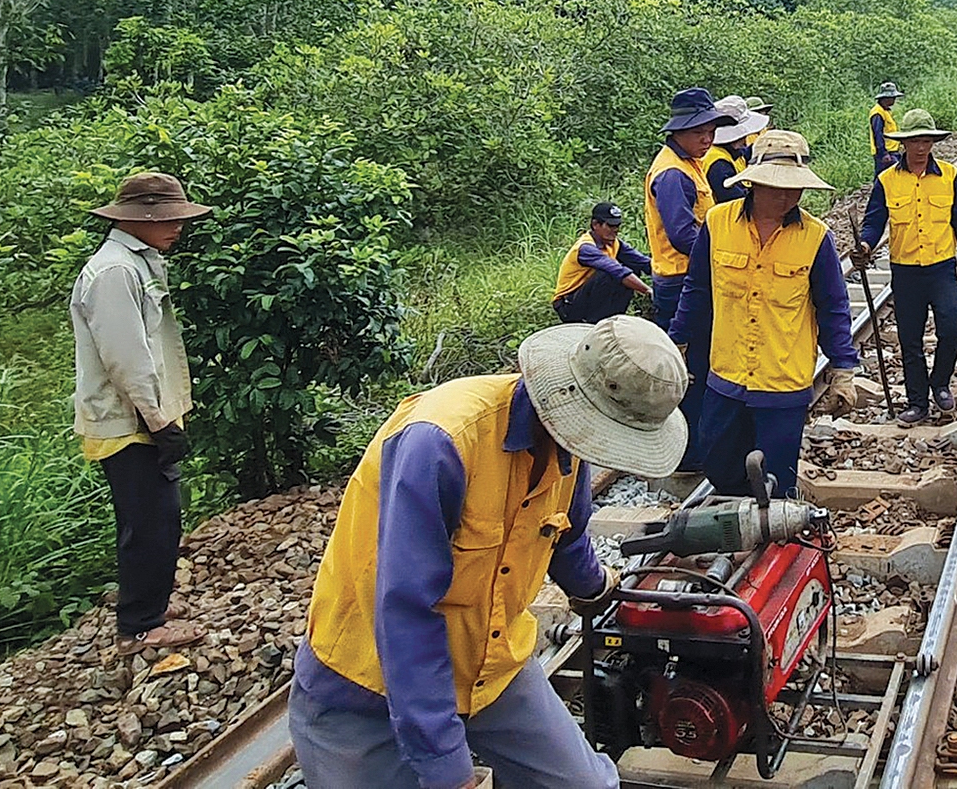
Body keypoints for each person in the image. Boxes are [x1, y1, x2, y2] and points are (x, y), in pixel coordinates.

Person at [289, 316, 688, 789]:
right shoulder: (440, 444)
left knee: (586, 784)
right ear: (568, 398)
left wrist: (598, 589)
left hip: (491, 665)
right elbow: (405, 613)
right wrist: (448, 767)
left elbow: (565, 535)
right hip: (370, 684)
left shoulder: (569, 446)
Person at [671, 130, 860, 498]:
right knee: (720, 465)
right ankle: (735, 533)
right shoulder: (717, 223)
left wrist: (843, 370)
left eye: (794, 188)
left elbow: (833, 307)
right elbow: (696, 290)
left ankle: (771, 546)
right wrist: (677, 339)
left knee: (776, 482)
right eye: (776, 187)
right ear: (753, 184)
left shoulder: (815, 238)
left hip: (782, 384)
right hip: (726, 376)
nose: (787, 195)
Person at [72, 172, 211, 651]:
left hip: (141, 417)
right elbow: (127, 359)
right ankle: (141, 625)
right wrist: (158, 422)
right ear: (139, 221)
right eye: (168, 219)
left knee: (158, 517)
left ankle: (150, 603)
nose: (177, 228)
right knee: (148, 521)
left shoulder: (136, 263)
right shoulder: (115, 273)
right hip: (129, 421)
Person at [852, 109, 957, 425]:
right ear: (904, 143)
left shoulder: (951, 176)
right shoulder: (887, 180)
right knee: (909, 339)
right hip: (906, 270)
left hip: (941, 267)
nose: (921, 147)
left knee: (954, 328)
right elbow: (874, 222)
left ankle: (939, 382)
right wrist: (865, 246)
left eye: (926, 140)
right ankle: (917, 402)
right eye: (915, 141)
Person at [644, 87, 736, 469]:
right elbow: (683, 235)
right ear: (678, 131)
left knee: (701, 361)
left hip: (688, 279)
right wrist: (727, 253)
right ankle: (690, 452)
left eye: (711, 129)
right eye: (699, 130)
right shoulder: (672, 174)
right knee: (692, 368)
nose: (707, 138)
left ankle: (699, 445)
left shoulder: (689, 165)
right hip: (682, 283)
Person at [551, 202, 653, 324]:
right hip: (568, 305)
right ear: (595, 224)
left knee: (633, 268)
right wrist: (648, 291)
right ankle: (593, 322)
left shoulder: (615, 243)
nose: (615, 230)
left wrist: (670, 276)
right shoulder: (585, 248)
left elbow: (643, 262)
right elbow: (617, 270)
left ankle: (613, 319)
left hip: (588, 298)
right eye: (610, 226)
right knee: (609, 274)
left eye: (617, 226)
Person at [704, 95, 770, 205]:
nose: (745, 139)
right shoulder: (718, 164)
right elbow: (737, 201)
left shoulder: (732, 152)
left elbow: (749, 152)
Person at [870, 82, 904, 178]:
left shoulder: (885, 111)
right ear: (885, 98)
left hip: (892, 151)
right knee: (884, 178)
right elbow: (878, 134)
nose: (894, 100)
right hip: (886, 153)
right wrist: (883, 154)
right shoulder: (877, 113)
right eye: (893, 98)